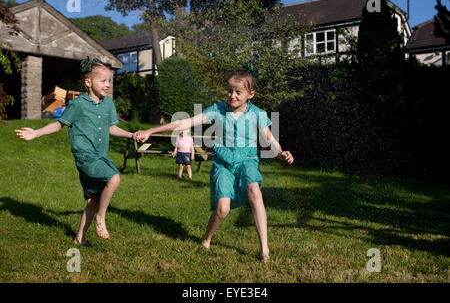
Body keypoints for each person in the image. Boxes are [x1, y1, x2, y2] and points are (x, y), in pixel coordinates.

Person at [135, 67, 294, 263]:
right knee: (222, 209)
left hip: (247, 161)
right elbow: (185, 123)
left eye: (238, 92)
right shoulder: (217, 110)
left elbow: (269, 139)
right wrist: (152, 130)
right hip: (223, 164)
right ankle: (206, 239)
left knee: (255, 191)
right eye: (229, 90)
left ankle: (264, 250)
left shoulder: (258, 114)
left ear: (250, 94)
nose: (232, 95)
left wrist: (281, 152)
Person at [15, 57, 137, 246]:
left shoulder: (108, 104)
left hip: (100, 156)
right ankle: (101, 218)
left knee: (93, 200)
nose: (107, 85)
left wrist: (132, 135)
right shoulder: (77, 104)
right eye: (103, 81)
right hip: (85, 157)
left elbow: (112, 129)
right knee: (114, 178)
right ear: (88, 82)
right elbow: (58, 124)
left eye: (109, 81)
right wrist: (36, 133)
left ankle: (79, 237)